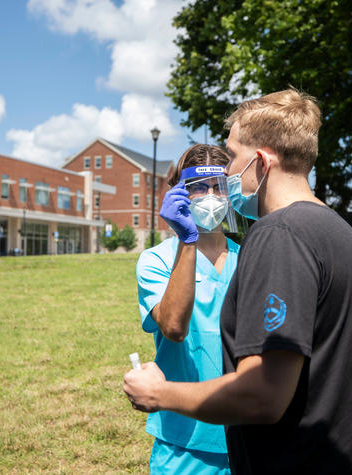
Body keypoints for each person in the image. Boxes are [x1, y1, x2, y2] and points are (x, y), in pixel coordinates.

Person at [124, 88, 352, 474]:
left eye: (231, 159)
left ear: (260, 162)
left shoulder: (277, 235)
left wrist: (159, 393)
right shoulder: (342, 234)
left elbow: (263, 395)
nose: (226, 175)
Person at [136, 144, 240, 474]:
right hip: (184, 439)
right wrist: (188, 240)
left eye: (219, 187)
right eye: (198, 187)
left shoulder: (252, 257)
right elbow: (173, 327)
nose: (210, 196)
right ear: (181, 193)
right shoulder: (155, 260)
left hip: (248, 431)